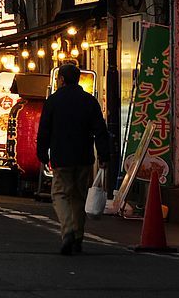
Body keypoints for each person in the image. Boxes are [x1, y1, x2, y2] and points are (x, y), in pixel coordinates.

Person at [37, 63, 109, 255]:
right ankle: (78, 237)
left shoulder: (53, 101)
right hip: (84, 156)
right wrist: (104, 155)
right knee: (78, 196)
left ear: (61, 79)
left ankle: (68, 229)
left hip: (61, 156)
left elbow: (44, 130)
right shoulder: (89, 101)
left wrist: (42, 153)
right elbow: (100, 130)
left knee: (60, 194)